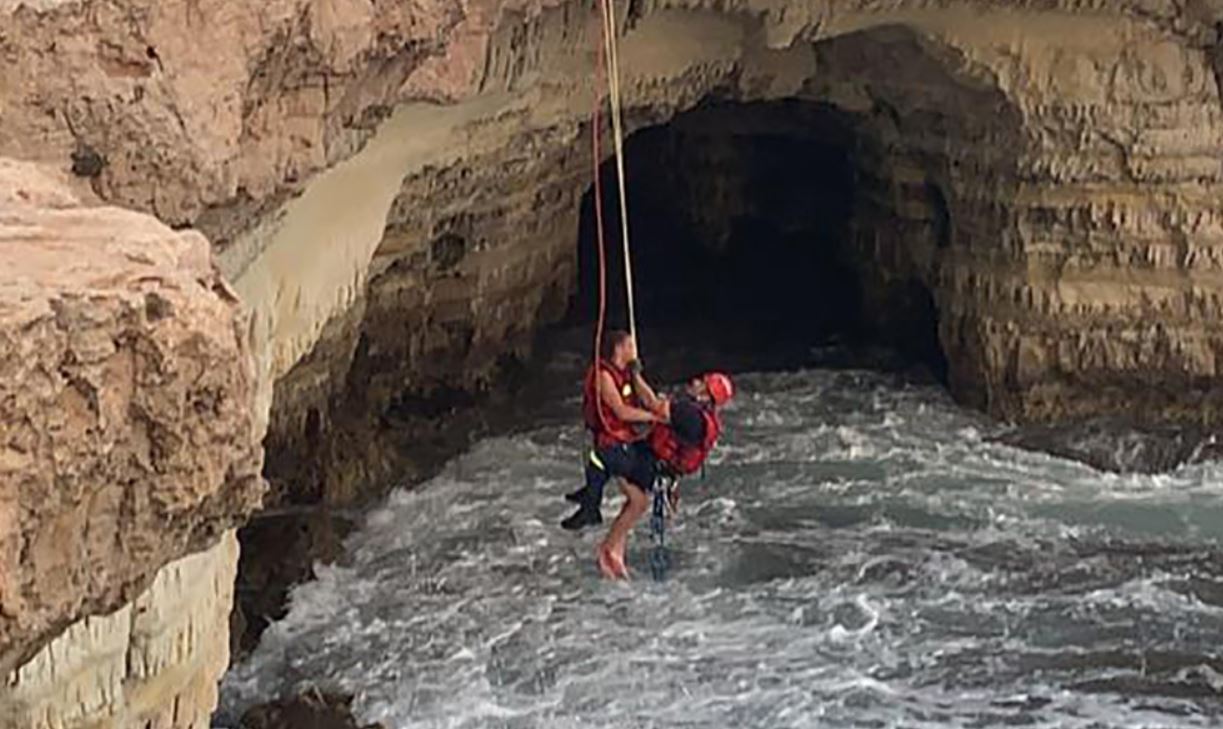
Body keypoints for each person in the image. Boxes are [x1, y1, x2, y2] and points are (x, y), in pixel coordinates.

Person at [566, 366, 735, 579]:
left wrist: (635, 373)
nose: (695, 382)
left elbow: (651, 403)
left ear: (706, 395)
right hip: (659, 467)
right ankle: (615, 551)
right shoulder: (701, 416)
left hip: (649, 463)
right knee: (637, 501)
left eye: (702, 382)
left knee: (606, 459)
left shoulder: (690, 415)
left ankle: (603, 539)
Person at [560, 330, 668, 532]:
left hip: (624, 440)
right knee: (600, 457)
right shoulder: (604, 375)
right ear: (619, 349)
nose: (634, 350)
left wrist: (636, 374)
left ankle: (591, 501)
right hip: (613, 437)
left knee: (601, 460)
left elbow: (648, 399)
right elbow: (621, 411)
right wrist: (652, 417)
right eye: (630, 346)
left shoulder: (627, 371)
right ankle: (591, 503)